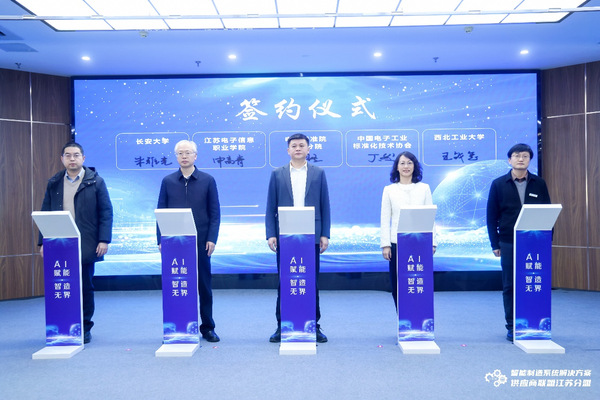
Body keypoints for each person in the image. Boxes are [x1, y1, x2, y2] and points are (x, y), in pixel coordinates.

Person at [39, 142, 113, 344]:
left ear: (83, 158)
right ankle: (63, 325)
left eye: (76, 155)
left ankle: (85, 327)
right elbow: (45, 212)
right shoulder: (54, 182)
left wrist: (104, 240)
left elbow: (106, 212)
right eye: (68, 155)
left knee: (85, 287)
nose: (72, 159)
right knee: (62, 285)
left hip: (86, 242)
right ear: (62, 159)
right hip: (59, 243)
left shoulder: (95, 181)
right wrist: (42, 242)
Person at [266, 133, 331, 343]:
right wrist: (271, 234)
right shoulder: (277, 174)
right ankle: (281, 325)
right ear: (288, 150)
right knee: (285, 282)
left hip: (311, 236)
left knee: (310, 282)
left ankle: (314, 325)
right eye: (294, 146)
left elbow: (325, 205)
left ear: (308, 149)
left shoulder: (318, 173)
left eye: (301, 145)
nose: (298, 149)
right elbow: (270, 206)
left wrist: (325, 234)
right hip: (285, 236)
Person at [157, 140, 221, 342]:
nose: (184, 156)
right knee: (177, 285)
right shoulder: (168, 181)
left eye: (188, 153)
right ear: (176, 157)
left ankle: (207, 327)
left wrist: (212, 238)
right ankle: (179, 325)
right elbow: (161, 211)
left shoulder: (207, 180)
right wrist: (160, 239)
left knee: (204, 287)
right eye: (180, 153)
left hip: (201, 242)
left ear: (195, 156)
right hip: (174, 243)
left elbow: (215, 213)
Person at [486, 143, 551, 341]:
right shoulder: (498, 184)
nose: (520, 159)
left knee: (533, 281)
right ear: (509, 160)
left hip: (535, 242)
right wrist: (495, 244)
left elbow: (547, 212)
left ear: (530, 160)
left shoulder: (539, 183)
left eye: (524, 156)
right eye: (516, 155)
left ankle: (534, 322)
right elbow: (491, 217)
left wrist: (548, 241)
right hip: (508, 241)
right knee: (510, 285)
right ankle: (512, 325)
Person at [380, 151, 437, 308]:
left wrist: (433, 242)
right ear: (397, 167)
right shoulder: (389, 190)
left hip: (420, 243)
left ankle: (419, 315)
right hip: (397, 243)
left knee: (419, 283)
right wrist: (385, 245)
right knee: (398, 284)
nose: (406, 166)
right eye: (402, 163)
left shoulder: (424, 188)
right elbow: (385, 219)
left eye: (409, 163)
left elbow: (430, 217)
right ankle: (402, 317)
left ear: (415, 166)